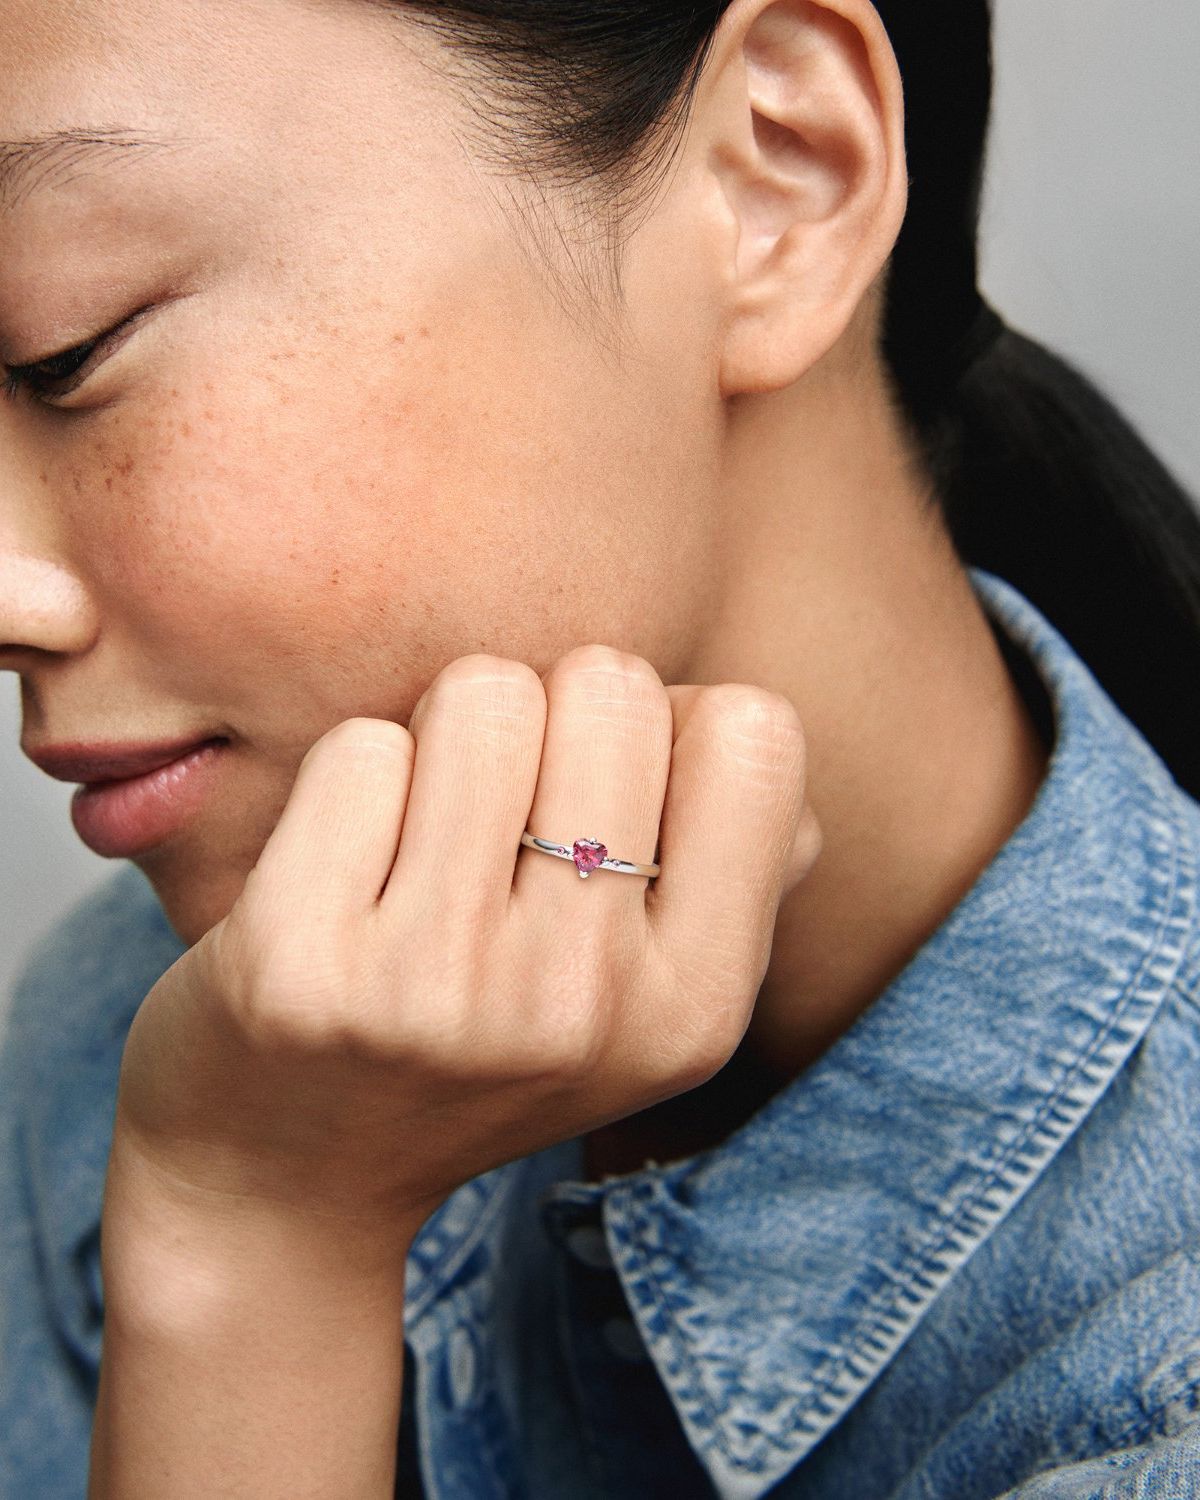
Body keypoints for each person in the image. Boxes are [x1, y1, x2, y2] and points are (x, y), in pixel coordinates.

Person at [1, 0, 1198, 1495]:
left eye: (66, 348)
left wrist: (254, 1251)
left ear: (779, 175)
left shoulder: (1154, 1387)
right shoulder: (159, 1045)